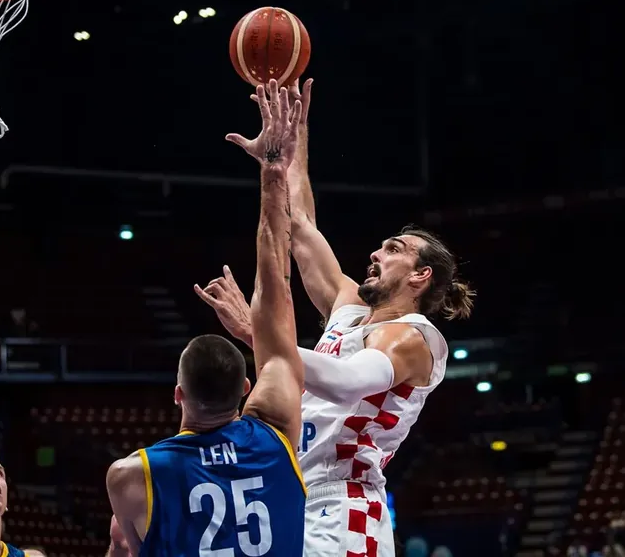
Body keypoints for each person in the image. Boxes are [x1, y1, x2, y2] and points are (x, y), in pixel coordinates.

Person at [195, 79, 475, 556]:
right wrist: (288, 143)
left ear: (421, 275)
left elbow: (346, 383)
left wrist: (255, 332)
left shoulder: (414, 339)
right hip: (287, 495)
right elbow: (301, 225)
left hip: (343, 505)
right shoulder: (349, 308)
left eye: (394, 250)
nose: (375, 252)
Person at [106, 79, 307, 556]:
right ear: (245, 389)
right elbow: (278, 290)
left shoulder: (132, 475)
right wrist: (274, 170)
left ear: (178, 394)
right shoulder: (277, 430)